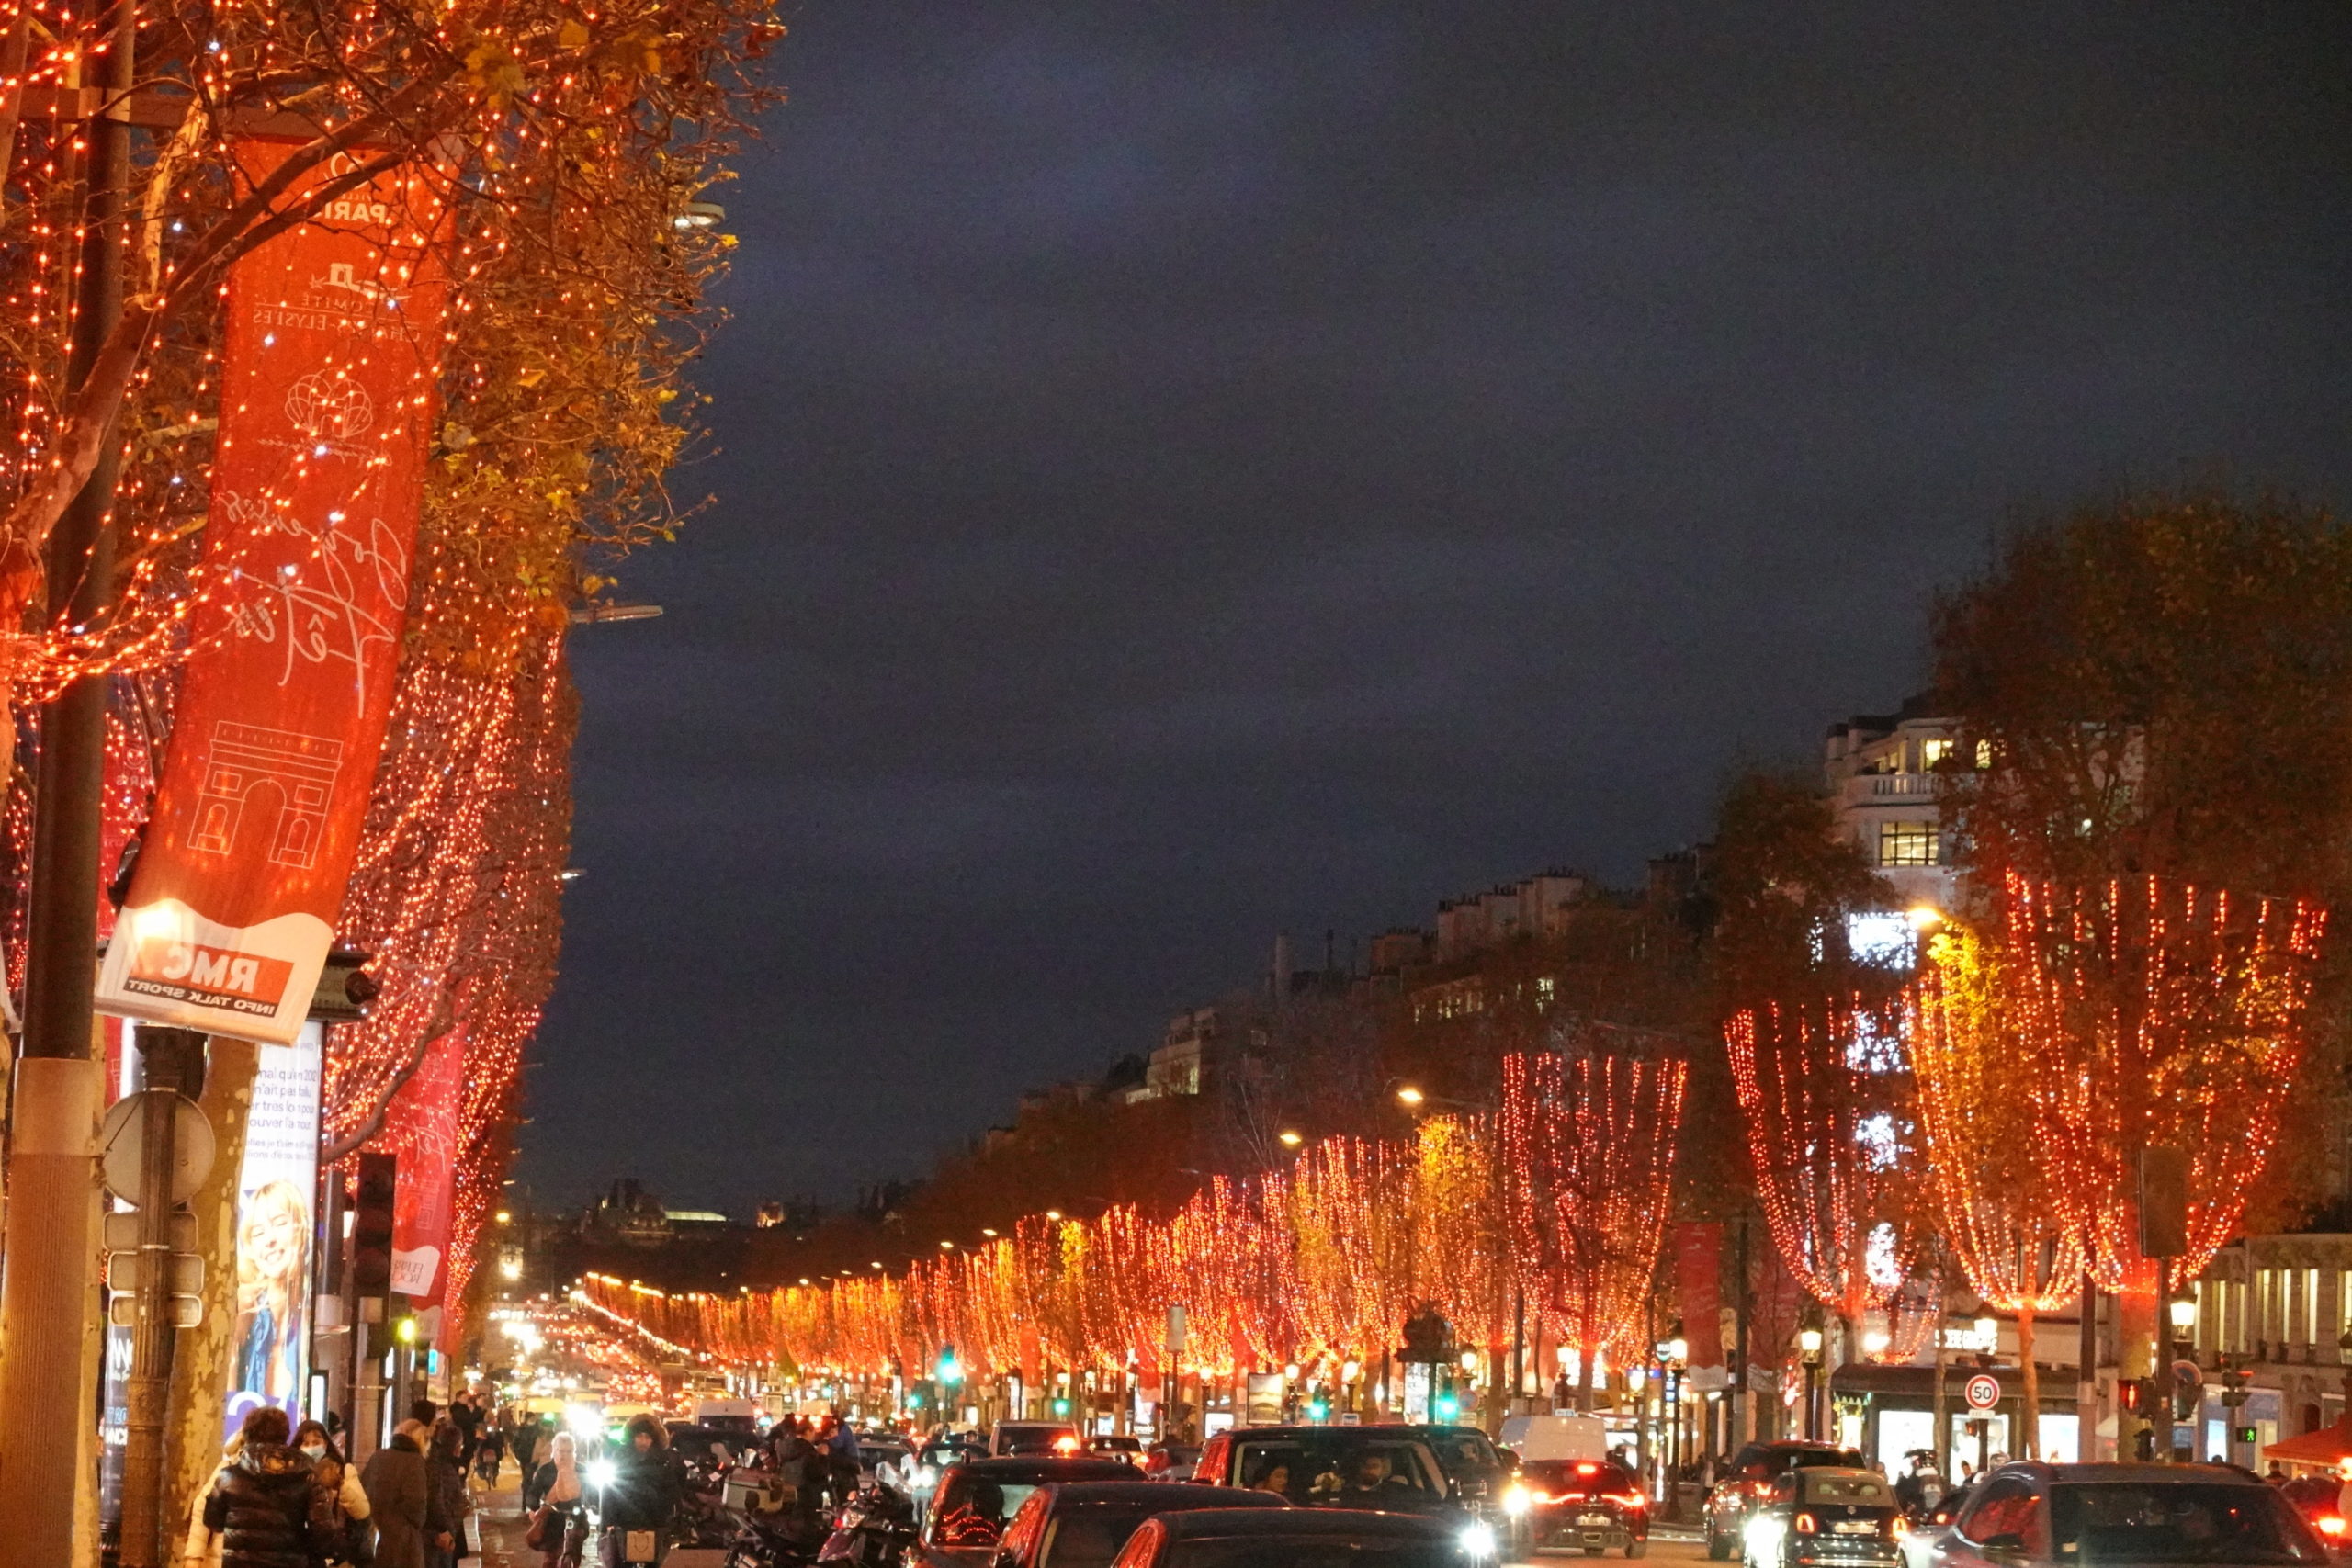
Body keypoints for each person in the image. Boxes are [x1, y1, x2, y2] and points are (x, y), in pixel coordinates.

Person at [197, 1404, 341, 1568]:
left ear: (248, 1435)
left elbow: (213, 1521)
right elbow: (324, 1531)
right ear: (285, 1435)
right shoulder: (306, 1476)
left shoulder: (228, 1476)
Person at [230, 1180, 312, 1409]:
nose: (269, 1240)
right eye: (258, 1233)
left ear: (301, 1229)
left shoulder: (308, 1318)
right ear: (251, 1249)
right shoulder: (244, 1307)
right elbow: (226, 1407)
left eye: (279, 1223)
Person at [598, 1413, 685, 1566]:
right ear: (632, 1437)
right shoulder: (620, 1458)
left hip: (654, 1522)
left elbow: (672, 1490)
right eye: (640, 1436)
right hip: (624, 1522)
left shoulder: (663, 1461)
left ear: (654, 1439)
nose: (643, 1442)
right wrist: (605, 1522)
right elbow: (608, 1491)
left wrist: (673, 1517)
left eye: (648, 1437)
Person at [296, 1418, 373, 1565]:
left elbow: (363, 1511)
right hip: (302, 1554)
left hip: (336, 1554)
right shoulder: (294, 1474)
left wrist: (339, 1484)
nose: (311, 1448)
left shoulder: (343, 1470)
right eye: (306, 1443)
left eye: (316, 1442)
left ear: (325, 1443)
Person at [363, 1418, 432, 1568]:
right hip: (401, 1540)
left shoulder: (378, 1456)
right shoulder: (415, 1462)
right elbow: (417, 1504)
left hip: (372, 1531)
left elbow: (364, 1488)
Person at [532, 1431, 592, 1568]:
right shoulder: (545, 1471)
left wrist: (592, 1503)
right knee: (551, 1557)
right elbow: (533, 1493)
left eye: (569, 1451)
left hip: (577, 1518)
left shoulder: (581, 1470)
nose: (564, 1455)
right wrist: (535, 1507)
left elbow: (592, 1493)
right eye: (561, 1451)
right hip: (553, 1519)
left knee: (575, 1551)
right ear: (554, 1451)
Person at [425, 1419, 472, 1568]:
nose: (461, 1448)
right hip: (442, 1535)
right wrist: (447, 1529)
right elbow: (439, 1501)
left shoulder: (443, 1463)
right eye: (460, 1444)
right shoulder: (443, 1467)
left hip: (445, 1531)